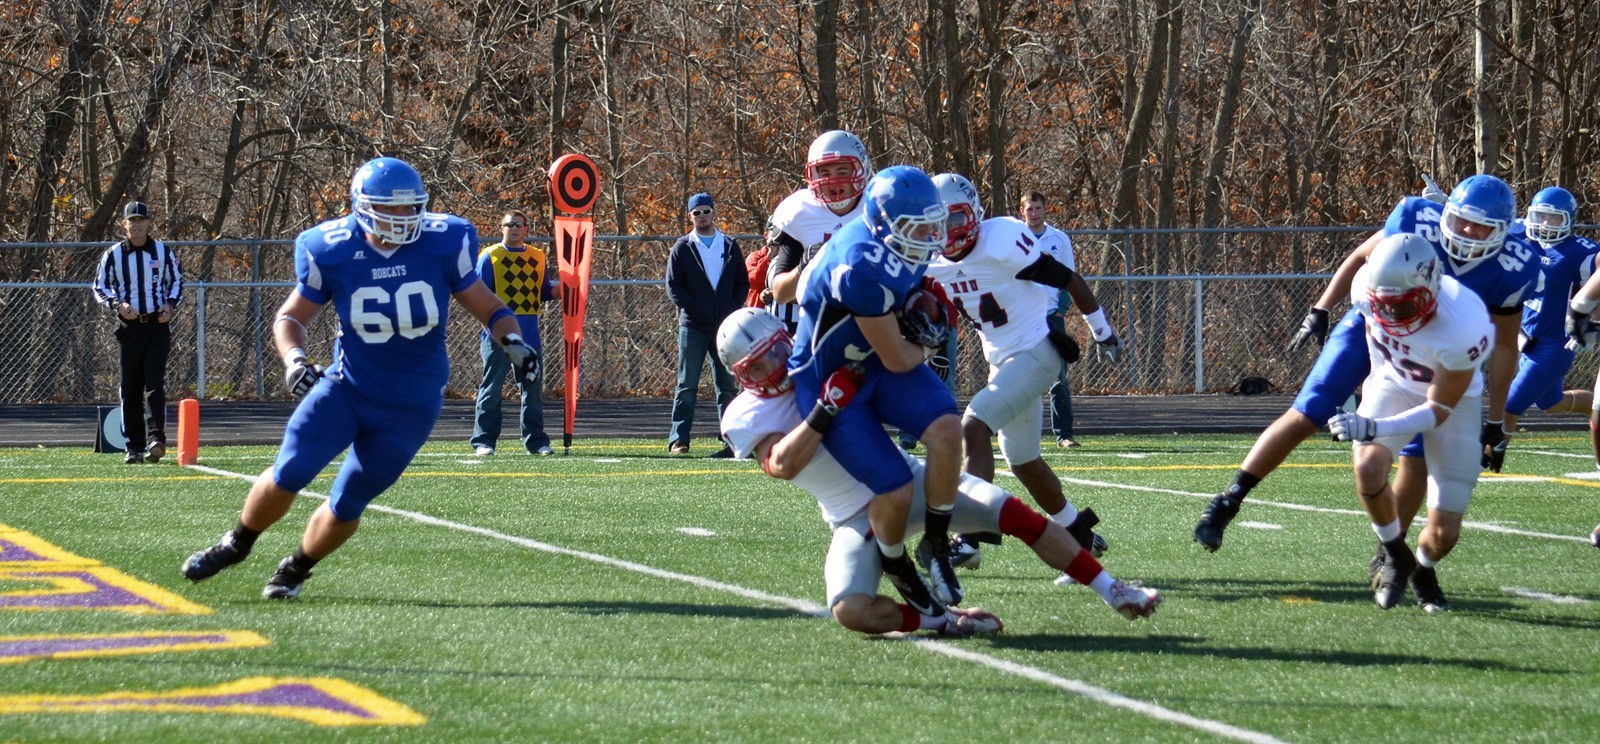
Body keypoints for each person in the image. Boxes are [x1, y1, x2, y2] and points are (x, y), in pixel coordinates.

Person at [180, 157, 535, 600]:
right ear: (363, 207)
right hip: (346, 389)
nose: (405, 218)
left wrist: (513, 341)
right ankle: (237, 542)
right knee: (291, 469)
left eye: (412, 208)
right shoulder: (329, 247)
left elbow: (490, 308)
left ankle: (295, 569)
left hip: (412, 405)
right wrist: (294, 360)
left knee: (349, 501)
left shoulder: (446, 240)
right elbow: (290, 316)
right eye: (393, 208)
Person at [716, 308, 1160, 636]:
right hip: (855, 517)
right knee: (851, 610)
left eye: (775, 351)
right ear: (740, 375)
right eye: (757, 365)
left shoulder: (820, 360)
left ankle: (1111, 588)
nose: (772, 366)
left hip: (910, 481)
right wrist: (826, 407)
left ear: (787, 338)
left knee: (1016, 515)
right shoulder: (745, 414)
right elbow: (781, 464)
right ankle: (938, 619)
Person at [1194, 175, 1539, 561]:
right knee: (1311, 407)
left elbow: (1506, 343)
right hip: (1373, 327)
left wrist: (1497, 418)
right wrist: (1321, 308)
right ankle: (1228, 500)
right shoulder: (1415, 218)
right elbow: (1361, 255)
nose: (1470, 232)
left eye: (1483, 226)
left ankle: (1389, 550)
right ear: (1447, 215)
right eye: (1463, 221)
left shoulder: (1514, 266)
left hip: (1430, 354)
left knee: (1418, 451)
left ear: (1504, 231)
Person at [788, 165, 968, 608]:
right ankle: (895, 560)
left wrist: (915, 304)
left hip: (872, 358)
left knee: (948, 432)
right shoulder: (860, 266)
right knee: (896, 489)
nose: (930, 235)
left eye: (933, 223)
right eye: (919, 226)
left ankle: (938, 543)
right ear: (886, 224)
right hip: (833, 381)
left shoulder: (900, 244)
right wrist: (930, 343)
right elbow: (899, 357)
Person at [923, 174, 1116, 570]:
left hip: (1037, 351)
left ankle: (970, 538)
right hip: (1003, 360)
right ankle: (1082, 539)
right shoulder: (930, 261)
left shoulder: (1003, 240)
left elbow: (1069, 279)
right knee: (1023, 462)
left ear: (975, 215)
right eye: (937, 223)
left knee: (972, 426)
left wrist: (1103, 332)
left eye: (954, 220)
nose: (947, 232)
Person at [1328, 233, 1492, 612]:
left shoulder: (1465, 323)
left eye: (1403, 307)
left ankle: (1422, 568)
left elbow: (1438, 411)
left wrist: (1372, 427)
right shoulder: (1364, 290)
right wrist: (1370, 391)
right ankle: (1393, 553)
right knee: (1368, 465)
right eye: (1383, 306)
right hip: (1394, 382)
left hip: (1452, 403)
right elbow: (1373, 335)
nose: (1391, 316)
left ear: (1430, 288)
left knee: (1444, 533)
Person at [1496, 188, 1598, 465]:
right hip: (1525, 337)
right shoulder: (1518, 231)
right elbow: (1483, 222)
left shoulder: (1579, 251)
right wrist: (1444, 206)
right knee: (1551, 403)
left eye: (1552, 219)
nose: (1544, 223)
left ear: (1568, 220)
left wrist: (1590, 316)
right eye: (1540, 216)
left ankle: (1487, 458)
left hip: (1556, 344)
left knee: (1509, 404)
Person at [91, 201, 184, 465]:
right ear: (124, 224)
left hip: (157, 325)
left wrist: (171, 304)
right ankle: (133, 446)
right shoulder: (113, 255)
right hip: (130, 328)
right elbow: (99, 286)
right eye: (132, 221)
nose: (137, 225)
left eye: (141, 220)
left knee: (154, 383)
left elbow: (176, 280)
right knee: (131, 386)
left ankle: (157, 439)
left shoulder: (163, 252)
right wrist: (117, 304)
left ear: (148, 223)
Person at [471, 209, 561, 456]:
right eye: (509, 224)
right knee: (491, 390)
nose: (514, 228)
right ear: (501, 228)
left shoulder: (538, 257)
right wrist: (491, 329)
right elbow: (478, 297)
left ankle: (536, 442)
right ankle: (484, 441)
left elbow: (542, 292)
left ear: (526, 230)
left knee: (532, 392)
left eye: (519, 225)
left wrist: (564, 289)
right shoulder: (489, 257)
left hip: (529, 337)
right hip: (497, 338)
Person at [665, 192, 748, 457]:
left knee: (726, 385)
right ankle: (679, 439)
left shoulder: (730, 246)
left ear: (714, 212)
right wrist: (697, 309)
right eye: (696, 213)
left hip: (725, 328)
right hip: (693, 326)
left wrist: (730, 309)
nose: (702, 216)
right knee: (687, 384)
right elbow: (673, 287)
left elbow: (741, 284)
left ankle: (732, 440)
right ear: (689, 216)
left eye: (705, 211)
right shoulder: (683, 247)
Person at [766, 130, 871, 335]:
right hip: (812, 321)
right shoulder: (800, 211)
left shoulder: (878, 207)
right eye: (825, 173)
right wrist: (804, 265)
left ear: (861, 169)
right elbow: (779, 292)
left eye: (842, 171)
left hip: (868, 319)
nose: (834, 181)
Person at [1018, 190, 1085, 448]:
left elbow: (1070, 275)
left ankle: (1064, 434)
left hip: (1050, 316)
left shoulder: (1059, 239)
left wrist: (1062, 309)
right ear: (1022, 211)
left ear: (1045, 209)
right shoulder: (1015, 238)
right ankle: (1018, 434)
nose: (1033, 214)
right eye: (1029, 209)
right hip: (1022, 317)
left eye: (1037, 208)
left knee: (1059, 378)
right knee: (1019, 377)